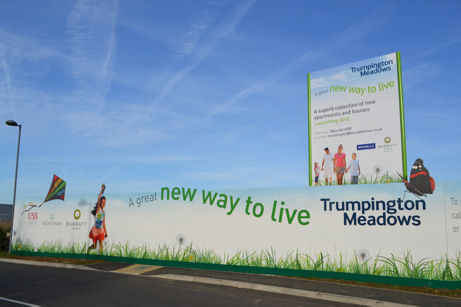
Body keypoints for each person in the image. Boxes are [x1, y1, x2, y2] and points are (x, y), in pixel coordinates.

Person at [88, 184, 107, 253]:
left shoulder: (104, 212)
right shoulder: (98, 209)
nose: (103, 204)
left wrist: (106, 233)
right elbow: (99, 197)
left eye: (105, 202)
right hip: (95, 230)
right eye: (102, 202)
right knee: (95, 246)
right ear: (100, 203)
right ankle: (89, 249)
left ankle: (101, 258)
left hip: (101, 230)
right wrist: (102, 189)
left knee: (101, 245)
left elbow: (104, 223)